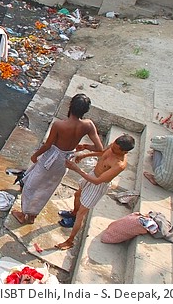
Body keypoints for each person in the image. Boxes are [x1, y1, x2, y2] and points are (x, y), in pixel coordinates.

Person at [11, 93, 103, 224]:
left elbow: (48, 145)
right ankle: (32, 216)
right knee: (47, 188)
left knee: (31, 186)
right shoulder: (88, 124)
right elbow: (99, 148)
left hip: (52, 158)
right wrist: (85, 146)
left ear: (70, 106)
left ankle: (24, 214)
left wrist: (36, 155)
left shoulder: (59, 125)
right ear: (85, 111)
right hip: (66, 160)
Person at [55, 133, 136, 250]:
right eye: (113, 146)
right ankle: (73, 213)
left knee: (82, 213)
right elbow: (103, 153)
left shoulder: (119, 165)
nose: (112, 149)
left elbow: (98, 181)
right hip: (92, 174)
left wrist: (77, 169)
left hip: (98, 184)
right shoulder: (114, 146)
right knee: (77, 194)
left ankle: (70, 240)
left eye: (115, 149)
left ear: (124, 152)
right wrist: (85, 155)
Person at [143, 120, 173, 192]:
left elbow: (153, 140)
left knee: (157, 147)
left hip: (161, 179)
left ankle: (155, 179)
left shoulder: (170, 139)